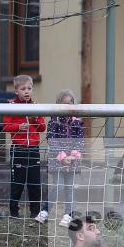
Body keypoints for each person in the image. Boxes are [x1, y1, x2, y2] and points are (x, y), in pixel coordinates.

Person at [3, 75, 46, 221]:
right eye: (23, 89)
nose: (27, 91)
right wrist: (19, 127)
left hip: (33, 149)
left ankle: (35, 212)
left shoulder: (36, 107)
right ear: (16, 91)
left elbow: (42, 127)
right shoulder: (11, 106)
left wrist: (34, 119)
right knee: (17, 183)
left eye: (29, 88)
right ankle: (14, 213)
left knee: (34, 182)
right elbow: (6, 126)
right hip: (18, 149)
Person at [45, 89, 85, 227]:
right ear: (59, 104)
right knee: (58, 186)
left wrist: (72, 156)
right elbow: (51, 140)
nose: (68, 106)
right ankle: (45, 211)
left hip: (72, 161)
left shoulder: (77, 122)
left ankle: (68, 214)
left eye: (71, 103)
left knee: (70, 188)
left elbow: (80, 140)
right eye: (65, 104)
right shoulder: (54, 122)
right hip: (57, 161)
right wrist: (62, 156)